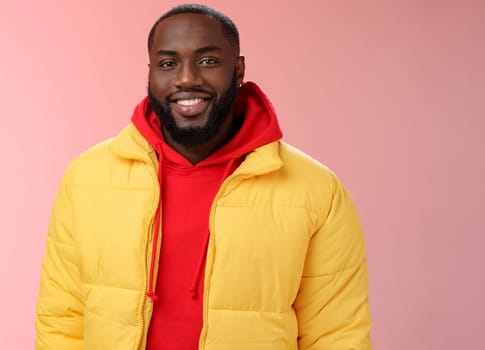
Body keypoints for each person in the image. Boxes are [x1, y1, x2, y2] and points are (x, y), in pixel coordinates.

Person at [34, 3, 372, 349]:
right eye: (168, 64)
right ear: (150, 73)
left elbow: (337, 335)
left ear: (238, 70)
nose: (186, 78)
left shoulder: (316, 190)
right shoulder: (86, 178)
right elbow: (62, 321)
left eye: (208, 61)